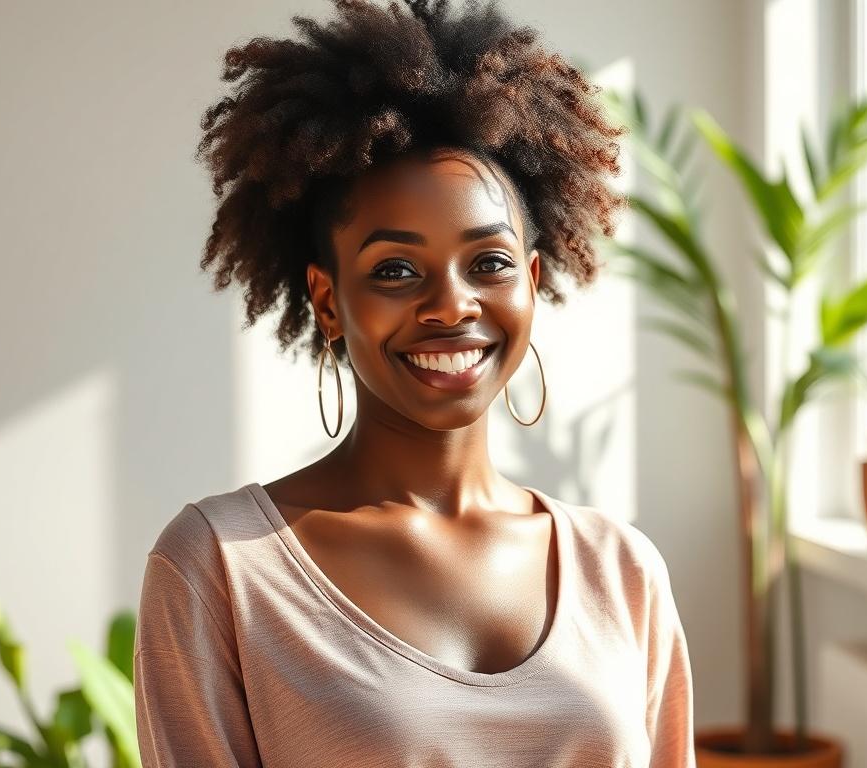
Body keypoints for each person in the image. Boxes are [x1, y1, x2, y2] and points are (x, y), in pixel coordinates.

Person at [133, 0, 695, 765]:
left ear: (531, 283)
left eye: (489, 263)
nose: (452, 306)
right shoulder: (221, 565)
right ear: (328, 300)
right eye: (395, 270)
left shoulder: (621, 569)